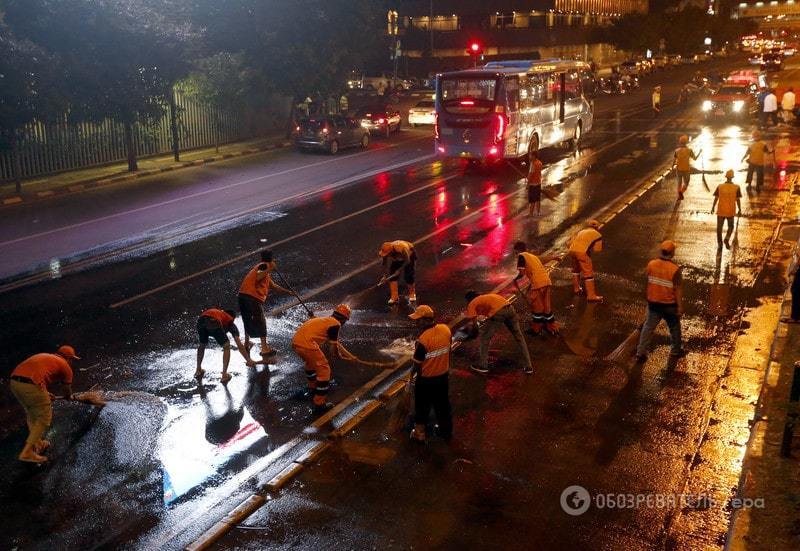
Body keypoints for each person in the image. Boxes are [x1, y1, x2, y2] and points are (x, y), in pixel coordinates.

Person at [9, 345, 79, 463]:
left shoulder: (46, 357)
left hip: (15, 383)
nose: (71, 362)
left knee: (32, 415)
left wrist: (45, 393)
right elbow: (67, 390)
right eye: (72, 359)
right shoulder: (66, 366)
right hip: (31, 384)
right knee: (44, 417)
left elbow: (34, 375)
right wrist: (69, 397)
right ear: (69, 358)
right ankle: (27, 453)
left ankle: (38, 444)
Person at [292, 304, 352, 415]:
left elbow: (335, 343)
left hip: (296, 342)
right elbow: (333, 347)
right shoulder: (335, 324)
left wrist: (349, 355)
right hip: (308, 345)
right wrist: (339, 356)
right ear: (344, 319)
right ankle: (319, 404)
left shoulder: (324, 320)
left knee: (310, 363)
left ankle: (313, 387)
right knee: (324, 370)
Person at [237, 250, 296, 358]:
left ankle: (246, 343)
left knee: (247, 319)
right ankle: (264, 349)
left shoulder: (263, 270)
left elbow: (273, 285)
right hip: (251, 297)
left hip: (243, 296)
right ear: (271, 259)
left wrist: (288, 292)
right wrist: (270, 267)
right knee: (260, 321)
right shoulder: (263, 266)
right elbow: (259, 277)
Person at [408, 305, 452, 443]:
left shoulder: (423, 340)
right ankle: (446, 433)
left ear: (425, 320)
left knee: (422, 406)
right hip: (443, 376)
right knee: (443, 405)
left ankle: (419, 434)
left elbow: (417, 364)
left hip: (426, 380)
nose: (416, 323)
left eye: (418, 320)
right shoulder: (446, 329)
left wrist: (411, 377)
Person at [635, 241, 685, 362]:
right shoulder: (675, 269)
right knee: (674, 327)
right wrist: (680, 306)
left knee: (648, 327)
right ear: (672, 253)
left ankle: (640, 352)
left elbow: (649, 279)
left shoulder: (651, 264)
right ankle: (675, 350)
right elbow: (678, 289)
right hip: (669, 304)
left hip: (653, 302)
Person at [464, 291, 533, 375]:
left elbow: (475, 325)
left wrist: (474, 332)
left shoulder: (472, 303)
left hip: (498, 313)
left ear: (469, 300)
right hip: (510, 310)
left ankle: (483, 366)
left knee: (485, 338)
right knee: (519, 338)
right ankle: (529, 366)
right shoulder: (487, 297)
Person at [195, 308, 256, 384]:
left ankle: (198, 370)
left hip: (200, 321)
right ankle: (224, 375)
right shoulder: (230, 321)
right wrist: (248, 360)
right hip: (213, 321)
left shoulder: (220, 314)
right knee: (226, 346)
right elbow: (239, 343)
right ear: (233, 318)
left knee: (202, 345)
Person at [513, 241, 561, 335]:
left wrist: (515, 280)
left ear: (516, 251)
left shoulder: (521, 256)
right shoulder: (532, 257)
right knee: (546, 305)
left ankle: (536, 329)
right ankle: (551, 326)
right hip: (546, 281)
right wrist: (554, 257)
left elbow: (522, 272)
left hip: (538, 283)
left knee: (537, 306)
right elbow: (542, 259)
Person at [568, 219, 604, 302]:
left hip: (572, 250)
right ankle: (591, 295)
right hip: (582, 252)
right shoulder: (597, 234)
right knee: (588, 273)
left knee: (576, 270)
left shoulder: (581, 231)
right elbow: (597, 249)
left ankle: (576, 289)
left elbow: (570, 243)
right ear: (597, 227)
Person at [710, 170, 742, 250]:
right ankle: (727, 238)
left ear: (726, 177)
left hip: (721, 210)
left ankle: (720, 243)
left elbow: (716, 198)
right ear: (732, 177)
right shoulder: (736, 187)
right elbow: (738, 200)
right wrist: (740, 209)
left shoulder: (720, 186)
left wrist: (713, 207)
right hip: (730, 211)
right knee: (731, 227)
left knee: (719, 228)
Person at [378, 240, 417, 304]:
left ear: (391, 251)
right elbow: (384, 264)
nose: (387, 255)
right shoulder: (386, 252)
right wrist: (384, 276)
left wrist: (399, 270)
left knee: (409, 275)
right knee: (392, 276)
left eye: (388, 254)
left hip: (409, 255)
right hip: (397, 258)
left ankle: (412, 294)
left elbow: (407, 261)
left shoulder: (401, 248)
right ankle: (394, 296)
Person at [673, 135, 699, 200]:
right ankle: (681, 192)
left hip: (678, 169)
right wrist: (700, 152)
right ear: (686, 142)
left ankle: (679, 196)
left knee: (679, 183)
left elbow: (674, 160)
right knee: (686, 183)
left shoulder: (676, 151)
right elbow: (695, 158)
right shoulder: (689, 150)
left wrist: (671, 168)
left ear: (680, 142)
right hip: (686, 169)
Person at [527, 152, 543, 216]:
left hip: (533, 184)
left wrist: (528, 184)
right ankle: (538, 212)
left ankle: (531, 213)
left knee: (532, 200)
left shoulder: (532, 164)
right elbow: (538, 172)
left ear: (534, 156)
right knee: (538, 199)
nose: (529, 157)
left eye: (530, 155)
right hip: (538, 183)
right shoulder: (539, 163)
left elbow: (531, 174)